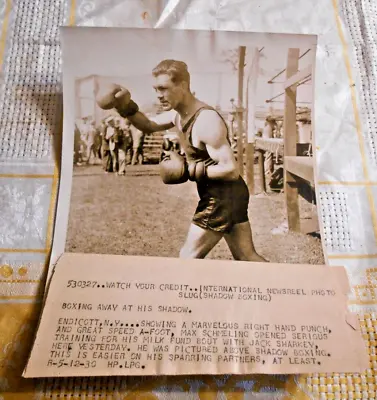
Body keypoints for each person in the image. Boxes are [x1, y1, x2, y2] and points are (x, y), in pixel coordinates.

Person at [95, 59, 266, 262]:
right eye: (156, 89)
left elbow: (231, 170)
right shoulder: (179, 115)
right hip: (227, 194)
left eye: (164, 88)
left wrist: (187, 170)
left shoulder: (206, 120)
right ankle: (281, 286)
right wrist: (126, 108)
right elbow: (149, 124)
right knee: (247, 256)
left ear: (183, 85)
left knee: (187, 258)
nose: (159, 95)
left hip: (222, 196)